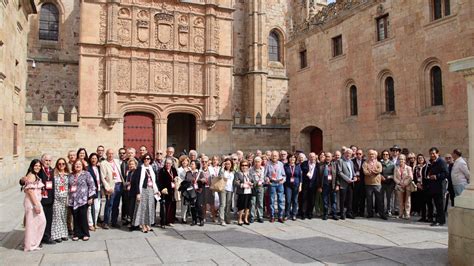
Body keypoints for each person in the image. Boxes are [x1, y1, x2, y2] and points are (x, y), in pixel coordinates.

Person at [131, 153, 160, 233]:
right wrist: (138, 193)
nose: (147, 160)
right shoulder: (140, 169)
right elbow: (135, 182)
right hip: (142, 190)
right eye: (145, 159)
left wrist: (156, 190)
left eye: (148, 159)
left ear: (150, 160)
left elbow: (154, 181)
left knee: (149, 207)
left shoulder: (151, 168)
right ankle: (142, 225)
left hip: (150, 190)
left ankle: (148, 224)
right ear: (143, 159)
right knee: (142, 208)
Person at [68, 160, 96, 241]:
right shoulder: (71, 175)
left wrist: (91, 197)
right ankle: (76, 233)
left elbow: (92, 185)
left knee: (83, 217)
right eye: (76, 164)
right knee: (75, 217)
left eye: (79, 164)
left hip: (83, 199)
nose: (78, 165)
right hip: (73, 200)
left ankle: (85, 233)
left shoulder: (86, 174)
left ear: (82, 165)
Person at [23, 159, 47, 251]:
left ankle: (32, 243)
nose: (38, 167)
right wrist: (36, 205)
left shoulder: (34, 175)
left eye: (39, 166)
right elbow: (30, 191)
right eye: (36, 166)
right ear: (32, 166)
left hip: (35, 201)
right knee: (35, 223)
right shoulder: (31, 176)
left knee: (35, 223)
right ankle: (30, 245)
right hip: (32, 202)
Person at [100, 148, 124, 229]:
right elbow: (102, 177)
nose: (110, 155)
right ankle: (106, 222)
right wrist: (107, 187)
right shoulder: (104, 163)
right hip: (111, 186)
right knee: (109, 204)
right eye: (109, 154)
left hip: (119, 185)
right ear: (106, 154)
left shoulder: (116, 161)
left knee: (116, 205)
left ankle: (114, 221)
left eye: (112, 154)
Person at [426, 147, 449, 226]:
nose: (432, 155)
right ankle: (437, 220)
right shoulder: (433, 162)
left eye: (433, 153)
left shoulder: (441, 161)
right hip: (433, 187)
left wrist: (436, 176)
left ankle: (441, 220)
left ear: (437, 153)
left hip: (440, 187)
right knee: (436, 204)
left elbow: (446, 173)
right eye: (431, 154)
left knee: (440, 204)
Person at [363, 150, 388, 220]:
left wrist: (371, 171)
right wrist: (374, 171)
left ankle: (381, 213)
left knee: (380, 200)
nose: (371, 156)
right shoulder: (365, 163)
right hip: (368, 184)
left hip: (377, 184)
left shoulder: (378, 163)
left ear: (375, 155)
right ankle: (370, 213)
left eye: (373, 154)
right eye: (370, 154)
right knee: (369, 200)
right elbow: (365, 172)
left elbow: (379, 170)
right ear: (368, 155)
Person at [51, 158, 70, 242]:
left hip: (65, 199)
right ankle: (56, 235)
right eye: (59, 164)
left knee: (63, 216)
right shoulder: (54, 175)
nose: (61, 165)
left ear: (65, 165)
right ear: (57, 165)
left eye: (63, 164)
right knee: (56, 217)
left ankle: (63, 234)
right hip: (56, 199)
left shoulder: (67, 175)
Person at [265, 150, 286, 223]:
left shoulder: (280, 164)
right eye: (273, 155)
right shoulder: (268, 164)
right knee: (272, 200)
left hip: (280, 183)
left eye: (275, 156)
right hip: (272, 184)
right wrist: (267, 180)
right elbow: (266, 175)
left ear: (278, 157)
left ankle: (280, 216)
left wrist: (283, 180)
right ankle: (272, 216)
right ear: (271, 156)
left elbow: (284, 175)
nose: (274, 157)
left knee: (280, 200)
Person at [39, 154, 55, 245]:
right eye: (46, 160)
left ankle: (47, 237)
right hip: (41, 199)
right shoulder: (39, 170)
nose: (48, 162)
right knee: (40, 220)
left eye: (49, 160)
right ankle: (39, 238)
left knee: (49, 219)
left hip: (50, 199)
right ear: (42, 161)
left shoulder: (52, 170)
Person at [317, 152, 339, 220]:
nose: (327, 158)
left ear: (331, 157)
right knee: (325, 200)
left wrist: (337, 185)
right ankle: (325, 214)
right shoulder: (320, 165)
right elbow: (318, 177)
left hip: (332, 185)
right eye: (326, 156)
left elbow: (338, 176)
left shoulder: (334, 165)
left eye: (329, 156)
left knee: (334, 200)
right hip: (324, 185)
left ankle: (334, 214)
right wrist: (319, 186)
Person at [157, 158, 178, 227]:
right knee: (165, 207)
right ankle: (163, 221)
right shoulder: (162, 170)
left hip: (173, 190)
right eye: (167, 163)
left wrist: (176, 181)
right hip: (165, 191)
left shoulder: (174, 170)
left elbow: (177, 178)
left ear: (172, 164)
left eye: (169, 163)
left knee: (172, 206)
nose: (168, 164)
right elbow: (159, 181)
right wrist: (161, 189)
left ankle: (170, 221)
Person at [394, 154, 414, 220]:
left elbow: (411, 177)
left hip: (407, 186)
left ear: (405, 160)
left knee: (407, 200)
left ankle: (407, 214)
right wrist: (400, 183)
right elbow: (395, 177)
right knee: (400, 201)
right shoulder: (396, 168)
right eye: (400, 159)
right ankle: (400, 214)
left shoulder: (408, 168)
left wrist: (404, 183)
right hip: (399, 186)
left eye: (402, 159)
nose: (401, 160)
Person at [234, 160, 254, 225]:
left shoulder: (250, 173)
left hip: (249, 192)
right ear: (240, 166)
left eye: (246, 165)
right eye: (243, 165)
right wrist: (242, 185)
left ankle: (245, 219)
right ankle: (239, 219)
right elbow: (235, 182)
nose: (244, 167)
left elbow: (254, 181)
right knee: (241, 206)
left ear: (248, 166)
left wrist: (251, 183)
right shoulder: (238, 173)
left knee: (247, 206)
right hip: (242, 192)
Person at [337, 148, 355, 219]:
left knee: (350, 199)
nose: (348, 155)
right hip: (344, 183)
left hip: (351, 183)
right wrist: (347, 179)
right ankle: (342, 213)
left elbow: (352, 171)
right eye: (347, 153)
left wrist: (355, 176)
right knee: (343, 199)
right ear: (344, 153)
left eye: (350, 153)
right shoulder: (340, 161)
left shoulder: (351, 162)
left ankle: (348, 212)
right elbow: (339, 172)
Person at [415, 154, 433, 223]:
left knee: (429, 202)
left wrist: (426, 185)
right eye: (419, 158)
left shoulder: (428, 166)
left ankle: (430, 217)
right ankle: (423, 217)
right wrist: (417, 183)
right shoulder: (416, 167)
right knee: (422, 202)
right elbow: (415, 177)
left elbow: (429, 176)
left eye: (421, 158)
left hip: (427, 187)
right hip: (419, 186)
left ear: (424, 159)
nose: (420, 159)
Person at [300, 152, 318, 220]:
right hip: (305, 184)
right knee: (304, 199)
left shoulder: (317, 164)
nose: (312, 158)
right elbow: (301, 173)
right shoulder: (304, 164)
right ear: (309, 157)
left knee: (312, 200)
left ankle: (310, 213)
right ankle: (303, 213)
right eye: (311, 157)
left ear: (315, 157)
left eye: (313, 157)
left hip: (313, 185)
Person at [284, 154, 301, 221]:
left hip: (296, 185)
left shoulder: (298, 166)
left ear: (295, 159)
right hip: (288, 186)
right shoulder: (285, 166)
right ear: (288, 159)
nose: (292, 159)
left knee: (295, 200)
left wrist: (300, 186)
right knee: (288, 200)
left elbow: (300, 177)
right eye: (291, 157)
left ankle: (294, 214)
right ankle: (287, 214)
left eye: (294, 158)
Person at [87, 153, 102, 230]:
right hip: (91, 191)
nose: (94, 160)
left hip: (98, 190)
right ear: (90, 159)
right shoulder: (88, 169)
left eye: (95, 158)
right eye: (92, 158)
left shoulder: (99, 168)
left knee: (97, 208)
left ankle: (95, 223)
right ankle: (90, 224)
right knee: (90, 208)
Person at [184, 161, 202, 226]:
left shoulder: (199, 173)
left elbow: (202, 181)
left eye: (192, 164)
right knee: (192, 206)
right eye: (191, 164)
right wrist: (191, 180)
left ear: (196, 165)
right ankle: (194, 220)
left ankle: (201, 219)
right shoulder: (188, 173)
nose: (191, 165)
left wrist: (200, 180)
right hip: (191, 191)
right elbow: (186, 180)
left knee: (199, 205)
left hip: (198, 191)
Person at [250, 156, 265, 223]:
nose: (257, 163)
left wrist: (262, 181)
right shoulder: (251, 169)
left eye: (258, 162)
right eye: (255, 161)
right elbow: (249, 178)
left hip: (260, 187)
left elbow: (264, 177)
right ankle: (252, 217)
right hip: (253, 187)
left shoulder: (263, 169)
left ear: (261, 162)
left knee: (260, 202)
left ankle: (260, 216)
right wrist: (253, 183)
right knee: (253, 202)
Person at [380, 150, 395, 217]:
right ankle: (382, 210)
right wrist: (380, 176)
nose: (385, 156)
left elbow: (395, 174)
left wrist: (390, 176)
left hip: (390, 183)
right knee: (381, 197)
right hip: (382, 182)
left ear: (389, 156)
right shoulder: (380, 163)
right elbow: (378, 172)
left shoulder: (392, 164)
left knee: (389, 197)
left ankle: (389, 210)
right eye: (384, 154)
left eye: (386, 154)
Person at [125, 158, 139, 230]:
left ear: (136, 165)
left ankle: (134, 224)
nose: (131, 165)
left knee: (134, 208)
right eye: (130, 164)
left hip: (136, 192)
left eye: (132, 164)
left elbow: (137, 182)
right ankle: (132, 222)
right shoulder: (129, 172)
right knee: (131, 208)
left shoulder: (137, 172)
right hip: (130, 193)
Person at [221, 158, 235, 225]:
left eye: (229, 164)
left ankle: (227, 219)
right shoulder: (223, 170)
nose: (227, 165)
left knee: (228, 205)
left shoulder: (233, 171)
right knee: (223, 204)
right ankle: (222, 220)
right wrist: (222, 167)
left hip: (230, 189)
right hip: (223, 189)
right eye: (226, 164)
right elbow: (220, 176)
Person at [352, 149, 366, 217]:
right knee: (355, 197)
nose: (358, 155)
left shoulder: (365, 161)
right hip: (355, 181)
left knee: (362, 197)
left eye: (360, 154)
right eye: (357, 154)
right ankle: (355, 211)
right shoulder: (352, 161)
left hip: (363, 182)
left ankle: (361, 212)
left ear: (362, 154)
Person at [177, 155, 191, 223]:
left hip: (189, 187)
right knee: (184, 203)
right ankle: (183, 217)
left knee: (188, 203)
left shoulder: (190, 169)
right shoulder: (179, 169)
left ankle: (187, 215)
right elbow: (178, 178)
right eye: (183, 161)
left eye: (186, 161)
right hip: (183, 187)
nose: (184, 162)